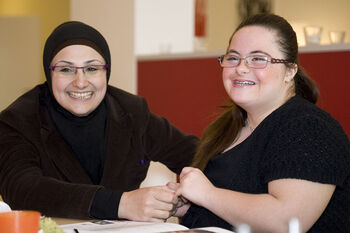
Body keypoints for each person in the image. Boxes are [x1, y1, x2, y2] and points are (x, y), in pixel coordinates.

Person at [168, 13, 350, 233]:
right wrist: (189, 207)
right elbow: (235, 207)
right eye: (233, 57)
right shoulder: (226, 128)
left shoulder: (309, 128)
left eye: (258, 59)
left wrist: (206, 194)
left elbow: (287, 223)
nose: (241, 68)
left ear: (290, 71)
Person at [0, 21, 198, 221]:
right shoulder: (19, 120)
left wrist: (191, 193)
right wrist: (120, 204)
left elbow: (196, 154)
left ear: (106, 71)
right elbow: (21, 189)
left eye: (92, 68)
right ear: (49, 72)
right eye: (66, 70)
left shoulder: (132, 112)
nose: (80, 82)